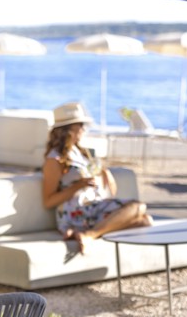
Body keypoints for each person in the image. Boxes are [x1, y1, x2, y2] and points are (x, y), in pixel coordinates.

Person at [42, 101, 151, 253]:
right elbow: (48, 201)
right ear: (67, 129)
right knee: (138, 206)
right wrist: (78, 186)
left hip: (94, 207)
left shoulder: (82, 154)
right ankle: (89, 235)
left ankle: (86, 234)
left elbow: (111, 191)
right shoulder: (55, 159)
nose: (83, 129)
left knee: (146, 221)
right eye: (80, 124)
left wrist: (104, 172)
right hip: (76, 212)